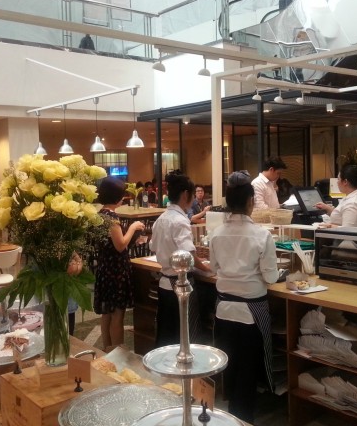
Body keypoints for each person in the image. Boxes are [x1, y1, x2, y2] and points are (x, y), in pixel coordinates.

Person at [210, 170, 279, 423]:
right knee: (249, 368)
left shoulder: (216, 233)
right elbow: (271, 277)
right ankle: (243, 416)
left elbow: (214, 268)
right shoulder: (262, 235)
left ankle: (229, 414)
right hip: (252, 312)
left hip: (224, 309)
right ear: (251, 201)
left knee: (229, 362)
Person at [149, 171, 212, 347]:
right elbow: (189, 255)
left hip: (164, 283)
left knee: (166, 334)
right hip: (180, 286)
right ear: (186, 194)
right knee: (185, 335)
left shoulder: (161, 218)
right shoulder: (180, 220)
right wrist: (208, 268)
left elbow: (153, 246)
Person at [93, 176, 145, 352]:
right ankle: (117, 354)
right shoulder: (112, 217)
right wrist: (133, 227)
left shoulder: (99, 214)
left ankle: (107, 351)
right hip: (115, 270)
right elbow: (120, 245)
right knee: (117, 314)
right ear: (116, 196)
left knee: (106, 313)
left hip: (104, 267)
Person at [315, 148, 357, 227]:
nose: (337, 182)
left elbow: (347, 231)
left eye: (338, 179)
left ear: (345, 182)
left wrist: (328, 226)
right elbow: (342, 216)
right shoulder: (354, 196)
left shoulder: (352, 203)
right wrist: (327, 208)